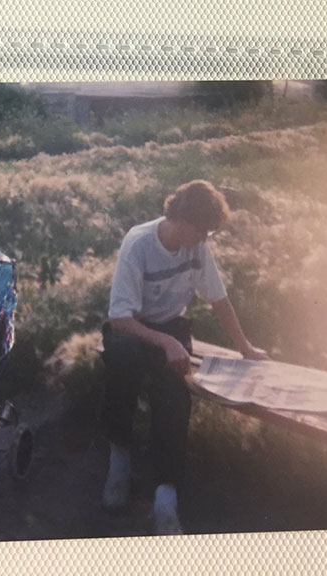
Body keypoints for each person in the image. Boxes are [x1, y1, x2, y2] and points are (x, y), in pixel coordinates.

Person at [101, 180, 268, 535]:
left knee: (174, 393)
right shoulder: (139, 244)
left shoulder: (198, 247)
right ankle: (119, 457)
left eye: (209, 232)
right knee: (122, 366)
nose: (205, 238)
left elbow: (217, 298)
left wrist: (245, 347)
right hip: (133, 328)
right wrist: (163, 341)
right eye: (201, 229)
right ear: (178, 217)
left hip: (171, 328)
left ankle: (165, 495)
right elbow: (119, 318)